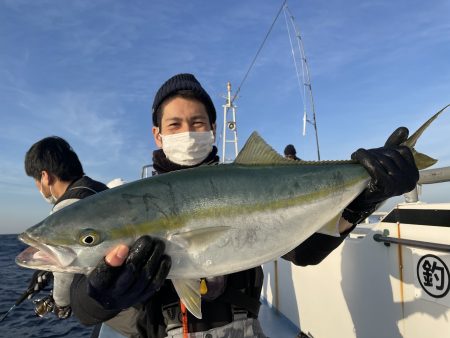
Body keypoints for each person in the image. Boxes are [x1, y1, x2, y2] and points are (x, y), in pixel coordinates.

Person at [70, 73, 419, 338]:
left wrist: (368, 196)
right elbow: (83, 308)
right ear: (157, 135)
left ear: (212, 128)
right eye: (174, 124)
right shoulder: (127, 205)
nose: (187, 132)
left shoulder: (249, 183)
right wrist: (100, 295)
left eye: (197, 123)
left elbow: (304, 252)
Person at [23, 136, 108, 318]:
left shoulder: (66, 209)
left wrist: (61, 305)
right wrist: (46, 269)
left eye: (35, 181)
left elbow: (64, 271)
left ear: (45, 177)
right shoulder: (100, 189)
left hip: (117, 308)